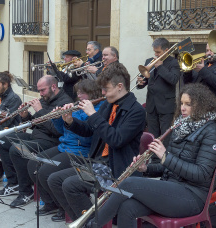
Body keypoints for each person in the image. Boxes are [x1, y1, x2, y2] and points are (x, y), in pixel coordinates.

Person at [86, 83, 216, 228]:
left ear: (201, 106)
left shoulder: (212, 132)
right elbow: (168, 168)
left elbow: (201, 174)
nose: (182, 108)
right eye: (181, 103)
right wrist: (146, 169)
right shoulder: (181, 127)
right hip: (171, 188)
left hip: (192, 197)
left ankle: (91, 225)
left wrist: (165, 156)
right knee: (127, 207)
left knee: (129, 183)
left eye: (188, 104)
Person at [47, 62, 145, 221]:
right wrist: (70, 121)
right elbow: (89, 131)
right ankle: (85, 222)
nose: (103, 93)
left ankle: (92, 223)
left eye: (106, 89)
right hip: (97, 163)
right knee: (54, 179)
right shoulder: (108, 104)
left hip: (115, 169)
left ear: (120, 86)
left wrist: (93, 115)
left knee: (70, 185)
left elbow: (116, 140)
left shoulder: (136, 111)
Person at [26, 79, 103, 222]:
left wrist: (71, 120)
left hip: (80, 151)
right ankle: (51, 203)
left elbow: (88, 138)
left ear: (93, 93)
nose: (79, 96)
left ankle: (63, 207)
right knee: (33, 162)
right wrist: (58, 118)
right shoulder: (78, 106)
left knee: (45, 172)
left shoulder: (96, 110)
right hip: (65, 146)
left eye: (82, 93)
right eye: (78, 93)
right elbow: (62, 131)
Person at [0, 75, 73, 207]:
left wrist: (39, 111)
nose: (40, 94)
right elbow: (36, 124)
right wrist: (26, 117)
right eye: (39, 91)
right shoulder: (45, 98)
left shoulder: (64, 102)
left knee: (17, 150)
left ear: (53, 87)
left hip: (52, 141)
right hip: (36, 136)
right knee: (1, 141)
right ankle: (14, 182)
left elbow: (57, 131)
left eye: (43, 90)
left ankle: (26, 192)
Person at [183, 43, 216, 186]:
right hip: (199, 114)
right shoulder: (203, 67)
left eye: (211, 50)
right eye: (207, 50)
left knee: (215, 148)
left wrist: (203, 70)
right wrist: (188, 70)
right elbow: (189, 85)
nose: (208, 53)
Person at [136, 38, 180, 148]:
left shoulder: (173, 63)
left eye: (158, 52)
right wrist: (140, 83)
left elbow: (173, 79)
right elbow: (145, 81)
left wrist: (160, 67)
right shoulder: (149, 61)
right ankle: (153, 160)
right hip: (151, 105)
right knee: (153, 136)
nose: (155, 54)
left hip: (166, 106)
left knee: (165, 136)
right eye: (154, 52)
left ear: (166, 50)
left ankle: (164, 160)